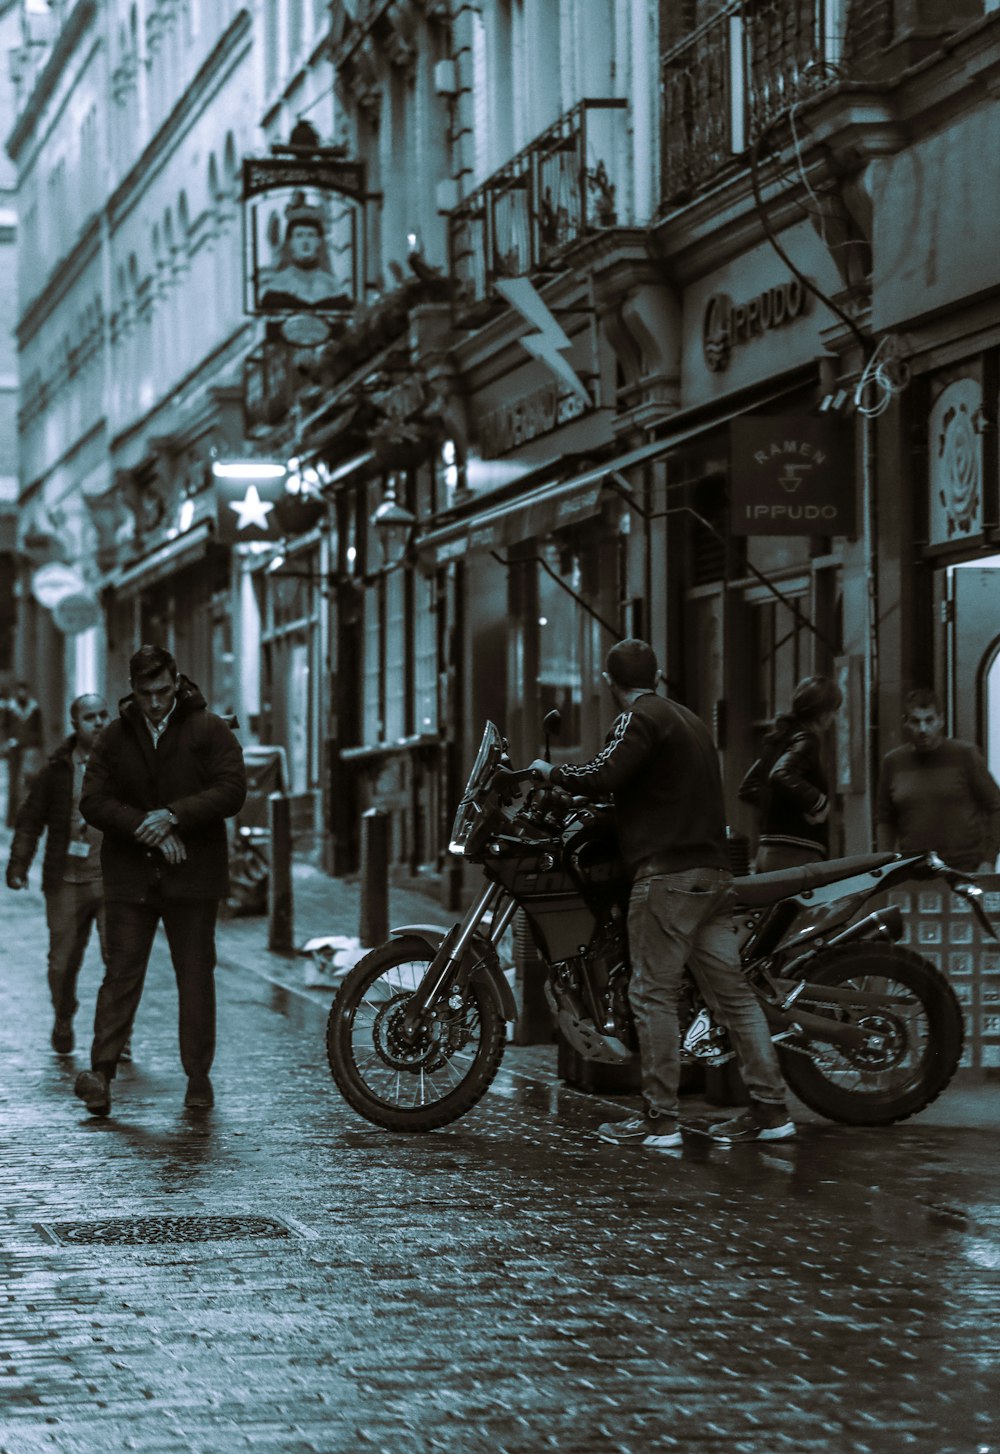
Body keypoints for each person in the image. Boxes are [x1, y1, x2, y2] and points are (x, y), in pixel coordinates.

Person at [529, 638, 794, 1147]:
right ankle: (772, 1109)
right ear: (660, 673)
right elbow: (646, 790)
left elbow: (606, 771)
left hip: (668, 879)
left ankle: (660, 1119)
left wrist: (553, 773)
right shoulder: (688, 720)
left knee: (652, 995)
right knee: (734, 999)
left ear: (610, 683)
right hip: (712, 876)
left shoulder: (638, 717)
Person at [73, 646, 246, 1117]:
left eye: (164, 691)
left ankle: (198, 1079)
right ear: (132, 689)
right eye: (146, 693)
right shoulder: (113, 737)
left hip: (193, 878)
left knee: (195, 978)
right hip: (132, 879)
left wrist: (173, 818)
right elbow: (93, 801)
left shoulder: (207, 728)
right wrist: (145, 828)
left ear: (177, 681)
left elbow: (232, 789)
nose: (155, 702)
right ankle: (101, 1074)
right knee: (121, 976)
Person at [6, 694, 116, 1056]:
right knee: (62, 963)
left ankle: (117, 1033)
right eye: (89, 717)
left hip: (112, 879)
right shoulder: (56, 771)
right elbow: (30, 819)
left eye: (103, 715)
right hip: (65, 882)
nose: (98, 722)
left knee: (119, 961)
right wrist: (19, 864)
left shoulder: (124, 765)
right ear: (75, 724)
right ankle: (64, 1014)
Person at [876, 687, 1000, 873]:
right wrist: (885, 866)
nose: (923, 729)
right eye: (916, 721)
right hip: (913, 869)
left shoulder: (965, 755)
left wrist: (989, 859)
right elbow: (885, 820)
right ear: (906, 723)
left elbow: (996, 807)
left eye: (929, 720)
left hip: (966, 868)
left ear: (940, 720)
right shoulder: (893, 762)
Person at [738, 675, 842, 872]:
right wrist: (818, 804)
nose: (834, 718)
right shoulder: (807, 739)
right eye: (833, 710)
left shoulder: (780, 739)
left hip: (767, 853)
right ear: (823, 713)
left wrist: (782, 810)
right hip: (798, 856)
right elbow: (781, 773)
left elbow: (749, 788)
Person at [259, 192, 349, 311]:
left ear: (319, 242)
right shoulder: (277, 286)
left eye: (311, 235)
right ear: (290, 242)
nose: (305, 241)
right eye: (299, 235)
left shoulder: (332, 286)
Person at [5, 680, 44, 827]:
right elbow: (4, 727)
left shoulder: (34, 709)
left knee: (29, 783)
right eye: (20, 691)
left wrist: (37, 747)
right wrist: (9, 741)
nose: (22, 693)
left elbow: (39, 731)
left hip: (29, 750)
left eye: (24, 690)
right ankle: (12, 820)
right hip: (14, 751)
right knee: (14, 784)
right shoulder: (10, 709)